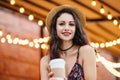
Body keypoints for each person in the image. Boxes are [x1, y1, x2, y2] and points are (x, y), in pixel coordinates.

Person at [40, 5, 96, 80]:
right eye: (61, 24)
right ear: (55, 28)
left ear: (76, 28)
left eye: (71, 24)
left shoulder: (86, 51)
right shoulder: (45, 61)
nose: (66, 28)